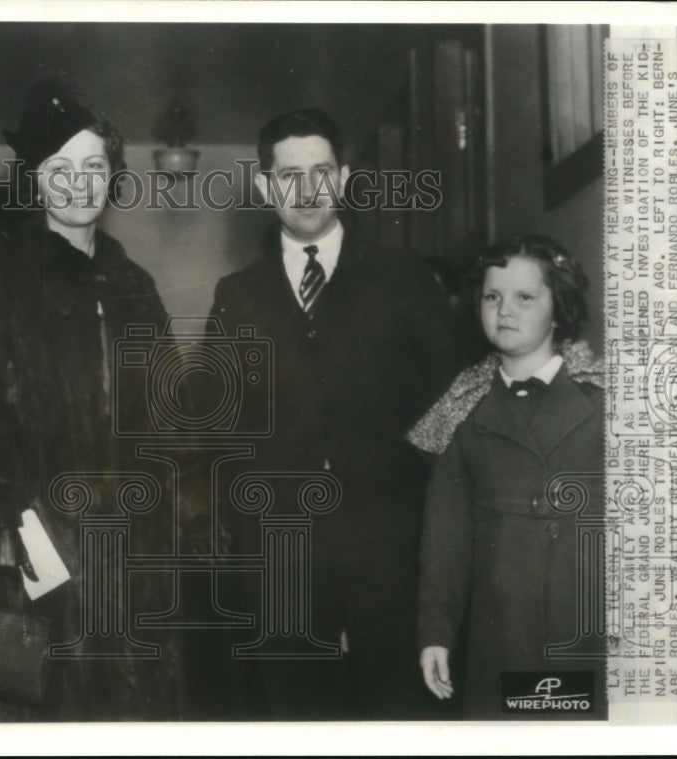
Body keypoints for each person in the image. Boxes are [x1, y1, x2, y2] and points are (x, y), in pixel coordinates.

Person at [0, 80, 180, 721]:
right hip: (31, 571)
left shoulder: (133, 286)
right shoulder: (0, 282)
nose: (79, 182)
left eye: (94, 166)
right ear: (35, 180)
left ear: (114, 176)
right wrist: (29, 540)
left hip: (127, 571)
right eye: (61, 168)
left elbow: (171, 430)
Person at [205, 107, 462, 719]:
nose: (309, 190)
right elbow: (219, 431)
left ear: (343, 178)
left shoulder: (403, 278)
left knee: (397, 718)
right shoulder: (236, 297)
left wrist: (397, 477)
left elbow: (457, 396)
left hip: (390, 560)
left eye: (321, 172)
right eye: (290, 175)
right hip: (281, 563)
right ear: (266, 187)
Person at [411, 234, 605, 719]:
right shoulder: (462, 408)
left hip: (588, 623)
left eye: (525, 297)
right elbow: (445, 536)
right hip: (501, 628)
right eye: (492, 297)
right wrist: (436, 633)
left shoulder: (607, 400)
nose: (505, 310)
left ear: (558, 308)